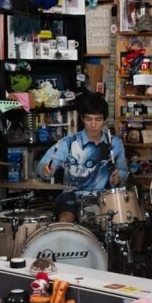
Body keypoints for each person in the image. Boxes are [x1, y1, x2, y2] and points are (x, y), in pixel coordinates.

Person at [38, 93, 128, 222]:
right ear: (82, 119)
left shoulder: (115, 144)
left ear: (105, 120)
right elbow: (44, 166)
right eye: (88, 119)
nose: (93, 125)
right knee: (65, 221)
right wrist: (46, 170)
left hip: (102, 197)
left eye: (98, 119)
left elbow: (123, 171)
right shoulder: (68, 142)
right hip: (71, 196)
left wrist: (119, 177)